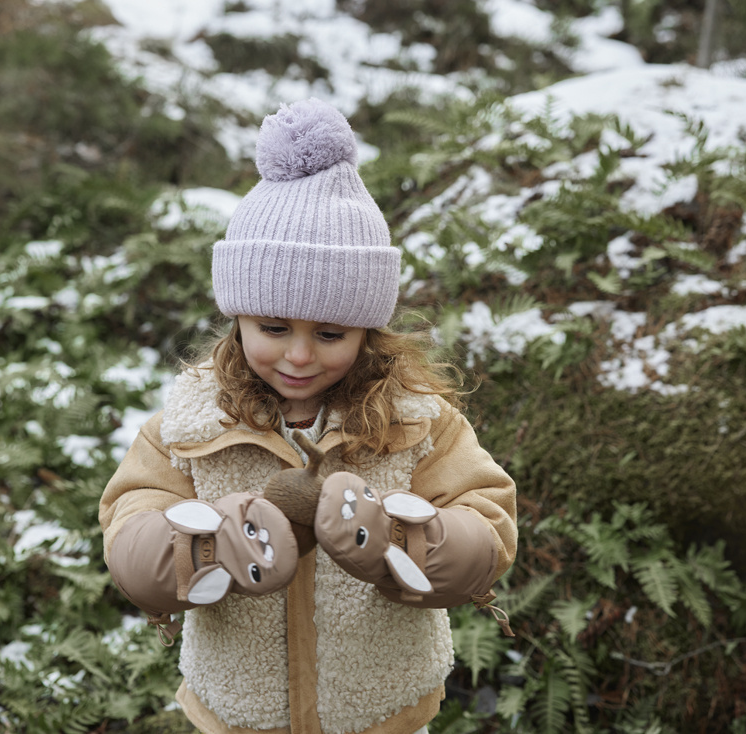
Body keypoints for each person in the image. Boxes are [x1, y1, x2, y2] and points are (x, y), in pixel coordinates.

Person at [99, 98, 517, 734]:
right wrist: (211, 545)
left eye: (329, 332)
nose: (298, 355)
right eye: (273, 327)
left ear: (368, 333)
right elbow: (131, 549)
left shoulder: (417, 423)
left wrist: (395, 541)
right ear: (237, 317)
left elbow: (488, 533)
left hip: (381, 716)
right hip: (240, 717)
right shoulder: (190, 427)